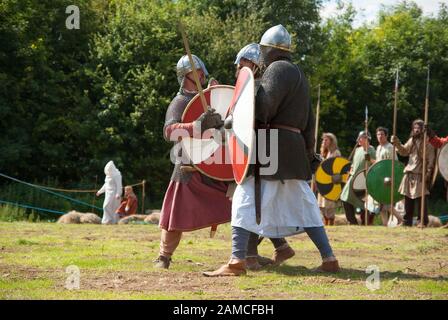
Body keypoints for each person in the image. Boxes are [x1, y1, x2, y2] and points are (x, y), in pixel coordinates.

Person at [203, 25, 339, 277]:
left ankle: (236, 261)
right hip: (293, 151)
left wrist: (234, 116)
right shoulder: (299, 74)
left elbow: (263, 108)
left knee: (244, 200)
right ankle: (328, 258)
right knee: (305, 205)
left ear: (268, 51)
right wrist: (308, 155)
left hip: (271, 149)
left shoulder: (277, 70)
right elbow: (310, 124)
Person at [154, 54, 231, 269]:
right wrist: (194, 127)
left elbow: (226, 124)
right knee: (174, 214)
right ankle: (164, 256)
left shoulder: (208, 98)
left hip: (216, 164)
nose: (200, 74)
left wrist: (222, 108)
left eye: (200, 71)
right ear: (186, 76)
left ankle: (251, 252)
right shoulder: (180, 102)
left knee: (243, 205)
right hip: (188, 164)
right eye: (195, 72)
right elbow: (169, 131)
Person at [234, 43, 295, 270]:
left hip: (259, 150)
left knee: (252, 201)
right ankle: (278, 247)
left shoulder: (259, 87)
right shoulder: (252, 86)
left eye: (244, 64)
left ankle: (249, 255)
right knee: (258, 202)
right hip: (255, 149)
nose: (241, 68)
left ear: (254, 65)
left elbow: (258, 115)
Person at [391, 119, 436, 227]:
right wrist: (396, 143)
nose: (416, 130)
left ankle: (422, 221)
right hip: (409, 172)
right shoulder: (412, 140)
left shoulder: (428, 143)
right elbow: (404, 151)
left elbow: (431, 160)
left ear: (423, 129)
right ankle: (407, 221)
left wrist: (428, 174)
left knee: (421, 200)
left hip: (420, 173)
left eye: (418, 128)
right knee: (408, 199)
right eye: (415, 128)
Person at [340, 131, 376, 225]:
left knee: (363, 202)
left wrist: (370, 159)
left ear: (366, 139)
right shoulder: (357, 150)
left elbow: (377, 164)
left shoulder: (371, 150)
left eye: (360, 138)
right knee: (344, 198)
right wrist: (349, 173)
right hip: (352, 178)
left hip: (364, 180)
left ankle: (366, 222)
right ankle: (352, 222)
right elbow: (353, 164)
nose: (358, 140)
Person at [374, 127, 404, 226]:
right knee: (380, 201)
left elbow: (395, 163)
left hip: (388, 178)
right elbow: (378, 164)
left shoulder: (390, 148)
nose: (380, 136)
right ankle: (385, 224)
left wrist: (392, 177)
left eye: (382, 134)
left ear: (386, 135)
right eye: (378, 134)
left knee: (386, 200)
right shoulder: (378, 148)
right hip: (380, 178)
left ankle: (400, 218)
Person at [317, 133, 341, 226]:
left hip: (332, 182)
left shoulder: (336, 153)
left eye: (326, 140)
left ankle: (330, 223)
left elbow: (337, 167)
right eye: (323, 140)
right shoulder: (325, 153)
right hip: (323, 181)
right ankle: (325, 222)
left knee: (329, 205)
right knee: (322, 204)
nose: (324, 142)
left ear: (332, 141)